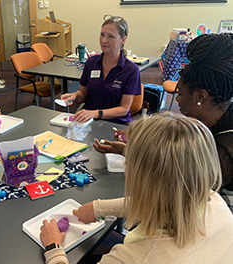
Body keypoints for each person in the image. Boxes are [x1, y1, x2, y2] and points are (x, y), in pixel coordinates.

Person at [40, 113, 233, 264]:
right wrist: (98, 208)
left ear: (139, 177)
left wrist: (53, 247)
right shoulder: (216, 202)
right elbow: (164, 201)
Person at [94, 33, 233, 192]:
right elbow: (180, 151)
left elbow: (177, 185)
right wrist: (140, 139)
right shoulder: (214, 118)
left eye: (179, 93)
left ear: (200, 96)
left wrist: (131, 152)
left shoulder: (224, 151)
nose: (178, 100)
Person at [61, 15, 141, 125]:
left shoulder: (131, 70)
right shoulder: (91, 62)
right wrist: (75, 96)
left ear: (123, 39)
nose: (104, 40)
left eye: (110, 36)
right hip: (89, 122)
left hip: (115, 124)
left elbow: (123, 109)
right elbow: (83, 93)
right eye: (102, 35)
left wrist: (95, 113)